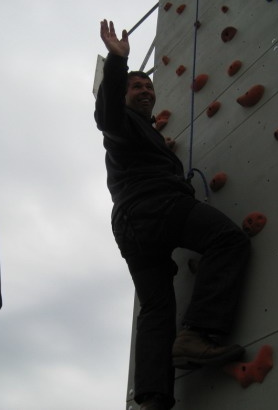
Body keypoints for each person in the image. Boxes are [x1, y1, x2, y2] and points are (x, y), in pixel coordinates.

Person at [95, 20, 251, 410]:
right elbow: (107, 115)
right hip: (155, 207)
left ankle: (152, 399)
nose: (145, 90)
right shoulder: (121, 124)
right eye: (136, 86)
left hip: (132, 227)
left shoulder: (140, 133)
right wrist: (117, 62)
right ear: (123, 95)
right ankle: (197, 333)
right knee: (228, 239)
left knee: (156, 307)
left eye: (149, 86)